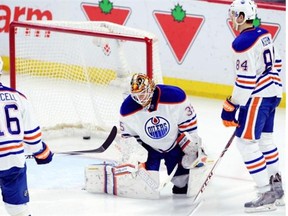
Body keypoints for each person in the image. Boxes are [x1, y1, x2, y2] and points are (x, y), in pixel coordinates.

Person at [221, 0, 284, 213]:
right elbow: (277, 63)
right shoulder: (264, 33)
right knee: (265, 140)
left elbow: (246, 81)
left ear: (241, 17)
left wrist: (231, 105)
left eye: (234, 15)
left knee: (246, 143)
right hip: (274, 93)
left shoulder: (242, 43)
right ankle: (277, 188)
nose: (231, 19)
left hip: (258, 97)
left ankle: (266, 192)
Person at [119, 73, 207, 195]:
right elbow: (129, 138)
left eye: (143, 93)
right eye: (137, 95)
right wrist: (136, 157)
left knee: (182, 184)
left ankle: (196, 165)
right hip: (149, 149)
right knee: (148, 188)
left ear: (151, 88)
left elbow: (189, 125)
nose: (140, 98)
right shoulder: (127, 109)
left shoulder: (175, 97)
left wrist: (192, 147)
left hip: (174, 145)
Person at [0, 56, 53, 216]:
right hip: (13, 162)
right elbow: (32, 137)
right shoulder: (18, 97)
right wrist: (42, 153)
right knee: (18, 210)